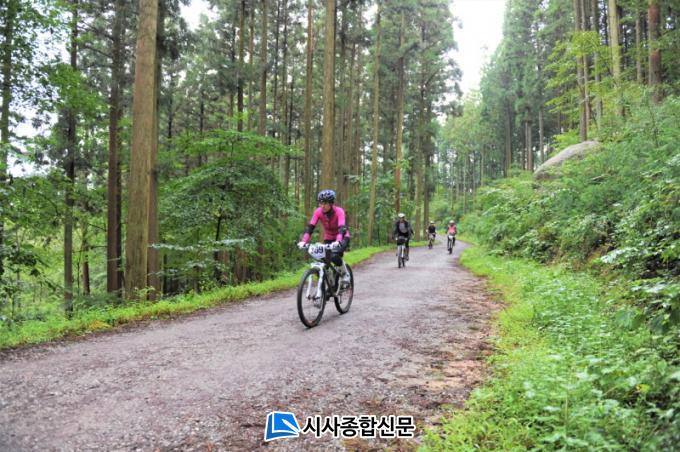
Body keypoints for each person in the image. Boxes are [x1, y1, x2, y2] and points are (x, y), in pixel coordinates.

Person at [297, 189, 351, 285]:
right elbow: (310, 227)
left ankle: (345, 274)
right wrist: (303, 241)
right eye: (320, 203)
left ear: (331, 203)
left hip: (342, 237)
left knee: (334, 256)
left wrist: (338, 241)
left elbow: (341, 228)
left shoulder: (339, 211)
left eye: (325, 203)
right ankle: (330, 280)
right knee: (324, 258)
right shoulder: (318, 212)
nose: (322, 206)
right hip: (329, 237)